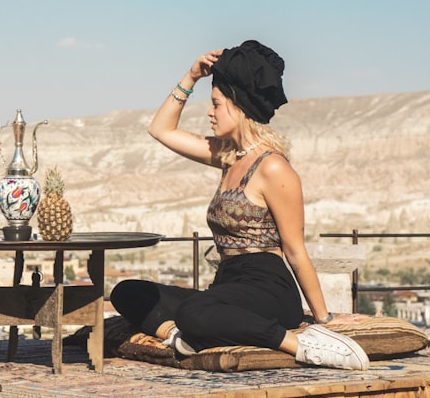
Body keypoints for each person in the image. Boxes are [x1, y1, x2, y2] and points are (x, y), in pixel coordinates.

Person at [110, 40, 369, 371]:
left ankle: (301, 345)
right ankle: (181, 336)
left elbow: (294, 249)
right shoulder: (226, 156)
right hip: (229, 285)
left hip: (269, 288)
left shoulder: (273, 167)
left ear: (240, 106)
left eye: (216, 104)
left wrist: (323, 317)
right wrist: (191, 76)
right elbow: (160, 129)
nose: (209, 112)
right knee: (129, 292)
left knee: (194, 313)